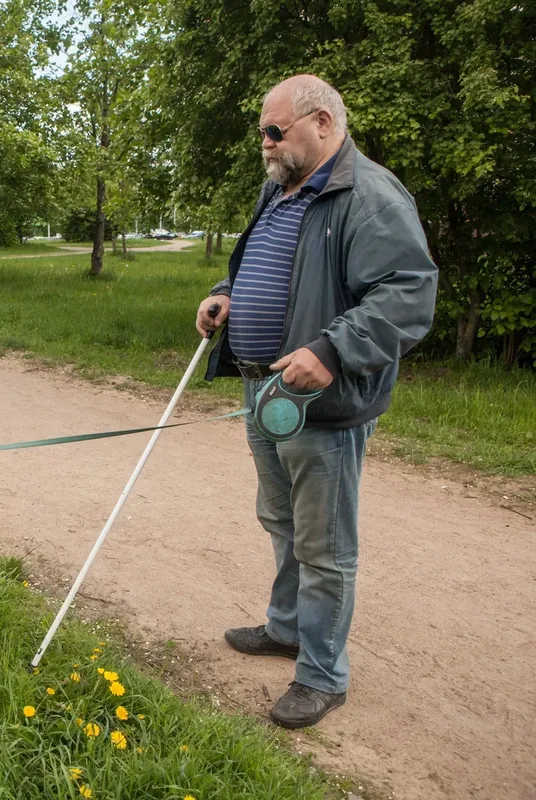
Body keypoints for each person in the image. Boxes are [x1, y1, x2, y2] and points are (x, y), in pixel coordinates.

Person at [195, 75, 438, 728]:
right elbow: (262, 266)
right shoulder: (279, 186)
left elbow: (408, 294)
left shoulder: (370, 194)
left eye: (277, 131)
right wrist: (225, 293)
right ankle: (287, 628)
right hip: (260, 389)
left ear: (323, 123)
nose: (267, 144)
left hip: (320, 408)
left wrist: (331, 351)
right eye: (263, 134)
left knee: (325, 545)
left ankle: (324, 675)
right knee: (282, 523)